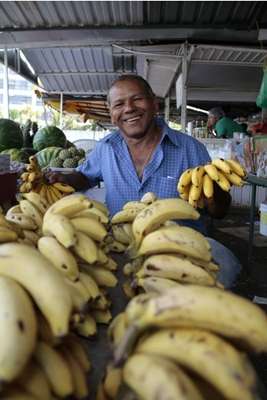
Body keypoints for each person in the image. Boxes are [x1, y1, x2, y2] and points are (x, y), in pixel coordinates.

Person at [47, 75, 239, 287]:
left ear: (154, 104)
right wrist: (63, 178)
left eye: (137, 99)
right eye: (119, 104)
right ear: (112, 114)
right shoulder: (105, 148)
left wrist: (213, 198)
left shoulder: (191, 149)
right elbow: (85, 176)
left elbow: (220, 212)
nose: (129, 108)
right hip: (122, 248)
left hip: (182, 252)